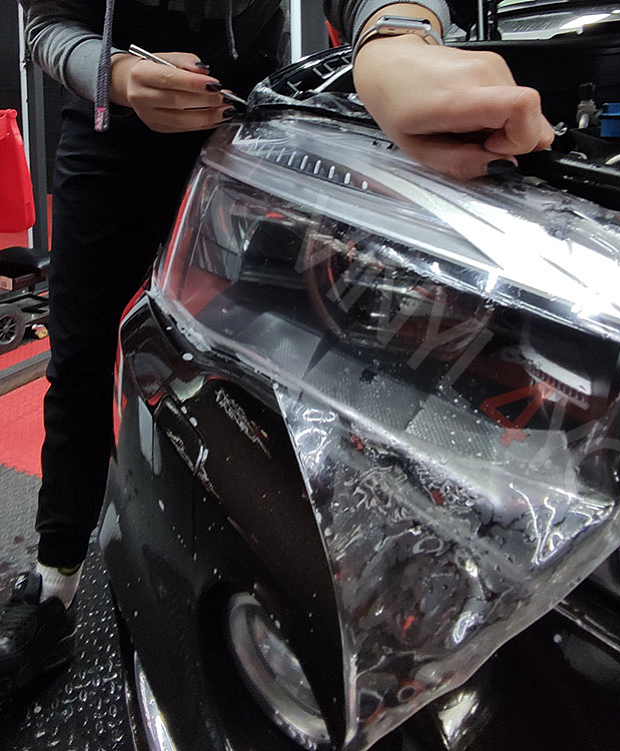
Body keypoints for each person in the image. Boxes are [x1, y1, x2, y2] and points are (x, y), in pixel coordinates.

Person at [0, 0, 552, 696]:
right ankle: (54, 586)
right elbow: (45, 25)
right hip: (110, 133)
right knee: (79, 361)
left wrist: (396, 34)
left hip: (242, 127)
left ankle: (297, 586)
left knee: (264, 356)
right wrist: (114, 75)